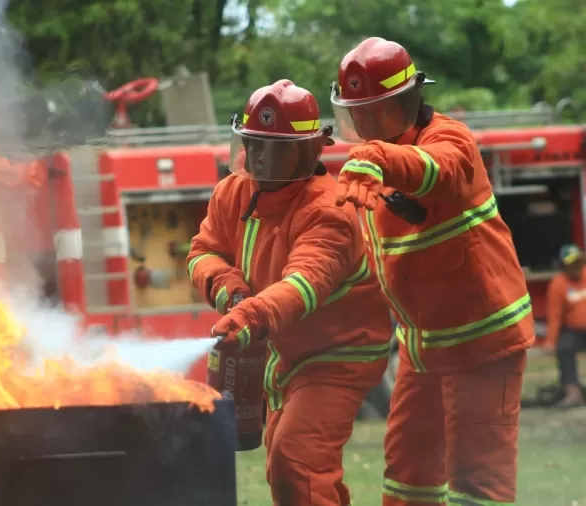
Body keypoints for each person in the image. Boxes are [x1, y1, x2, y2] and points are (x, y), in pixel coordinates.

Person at [330, 37, 535, 506]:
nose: (363, 126)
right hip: (424, 351)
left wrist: (377, 160)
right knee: (407, 478)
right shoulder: (370, 169)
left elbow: (434, 170)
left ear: (400, 104)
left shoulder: (448, 140)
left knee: (477, 485)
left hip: (484, 345)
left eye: (371, 113)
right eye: (354, 114)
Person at [187, 79, 393, 506]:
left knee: (296, 459)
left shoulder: (330, 210)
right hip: (281, 351)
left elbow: (304, 284)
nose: (258, 156)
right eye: (252, 143)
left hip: (338, 357)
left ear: (308, 151)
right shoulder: (232, 191)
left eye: (273, 147)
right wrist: (229, 289)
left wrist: (251, 315)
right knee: (288, 465)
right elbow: (202, 252)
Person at [545, 243, 586, 407]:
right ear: (563, 266)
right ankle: (572, 392)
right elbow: (554, 316)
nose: (576, 266)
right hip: (572, 331)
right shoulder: (558, 284)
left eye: (578, 261)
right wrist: (550, 341)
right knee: (564, 348)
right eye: (571, 263)